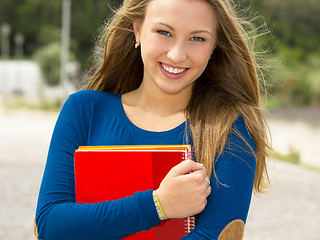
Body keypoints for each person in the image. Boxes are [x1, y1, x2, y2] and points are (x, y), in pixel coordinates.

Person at [35, 0, 270, 239]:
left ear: (214, 47)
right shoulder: (84, 110)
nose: (177, 55)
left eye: (197, 38)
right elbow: (50, 226)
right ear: (138, 30)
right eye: (164, 32)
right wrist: (158, 205)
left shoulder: (231, 126)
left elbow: (213, 235)